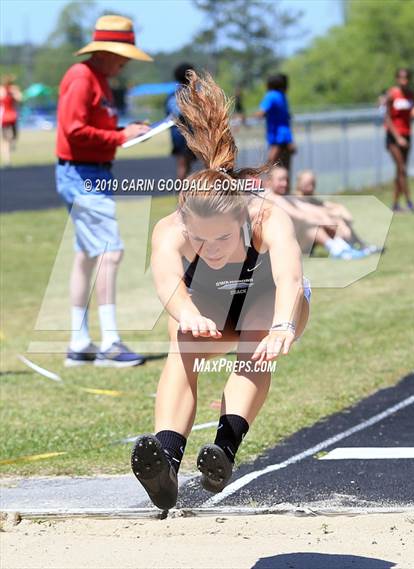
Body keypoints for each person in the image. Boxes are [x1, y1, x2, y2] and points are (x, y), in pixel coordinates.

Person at [131, 71, 311, 510]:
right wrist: (185, 312)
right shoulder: (170, 230)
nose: (211, 252)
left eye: (222, 241)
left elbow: (289, 277)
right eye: (201, 241)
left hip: (270, 299)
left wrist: (283, 325)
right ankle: (166, 464)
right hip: (209, 304)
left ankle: (223, 452)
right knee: (182, 344)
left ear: (240, 221)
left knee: (255, 335)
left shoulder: (266, 217)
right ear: (185, 224)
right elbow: (166, 281)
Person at [56, 15, 152, 367]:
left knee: (87, 255)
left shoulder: (100, 79)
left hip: (93, 173)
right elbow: (73, 130)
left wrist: (127, 130)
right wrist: (119, 137)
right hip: (81, 175)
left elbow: (95, 127)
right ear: (106, 51)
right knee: (110, 251)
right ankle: (110, 342)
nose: (125, 61)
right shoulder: (82, 77)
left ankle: (79, 342)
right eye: (122, 53)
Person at [264, 166, 371, 260]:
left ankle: (344, 248)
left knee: (317, 221)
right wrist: (322, 220)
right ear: (269, 182)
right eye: (280, 180)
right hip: (281, 245)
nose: (285, 183)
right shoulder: (272, 198)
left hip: (294, 241)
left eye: (286, 180)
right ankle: (339, 249)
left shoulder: (284, 197)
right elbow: (297, 214)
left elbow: (307, 208)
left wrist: (329, 216)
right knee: (310, 225)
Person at [295, 170, 382, 255]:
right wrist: (334, 216)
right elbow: (313, 212)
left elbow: (330, 206)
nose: (311, 186)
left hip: (313, 237)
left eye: (313, 183)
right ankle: (352, 247)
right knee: (334, 221)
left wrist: (341, 210)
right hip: (302, 240)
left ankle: (358, 246)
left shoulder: (311, 199)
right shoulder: (296, 199)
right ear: (299, 183)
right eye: (308, 183)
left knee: (337, 219)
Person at [384, 68, 414, 213]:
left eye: (407, 78)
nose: (404, 81)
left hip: (407, 135)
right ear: (397, 79)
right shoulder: (392, 94)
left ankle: (395, 204)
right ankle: (410, 203)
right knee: (402, 169)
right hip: (393, 137)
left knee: (400, 171)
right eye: (402, 78)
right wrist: (397, 137)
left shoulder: (410, 95)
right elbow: (387, 117)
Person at [255, 74, 296, 179]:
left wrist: (245, 117)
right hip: (286, 137)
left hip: (278, 137)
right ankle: (285, 191)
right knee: (284, 168)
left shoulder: (271, 95)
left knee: (270, 166)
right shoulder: (282, 96)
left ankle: (268, 190)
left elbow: (261, 113)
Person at [165, 63, 197, 180]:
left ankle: (186, 194)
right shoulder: (179, 94)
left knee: (187, 165)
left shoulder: (175, 94)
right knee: (183, 166)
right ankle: (181, 195)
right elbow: (179, 113)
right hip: (182, 135)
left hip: (185, 135)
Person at [0, 75, 22, 167]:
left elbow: (20, 99)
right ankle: (7, 161)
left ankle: (10, 147)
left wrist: (14, 92)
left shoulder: (14, 90)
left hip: (13, 117)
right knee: (6, 140)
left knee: (14, 138)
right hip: (5, 118)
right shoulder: (1, 90)